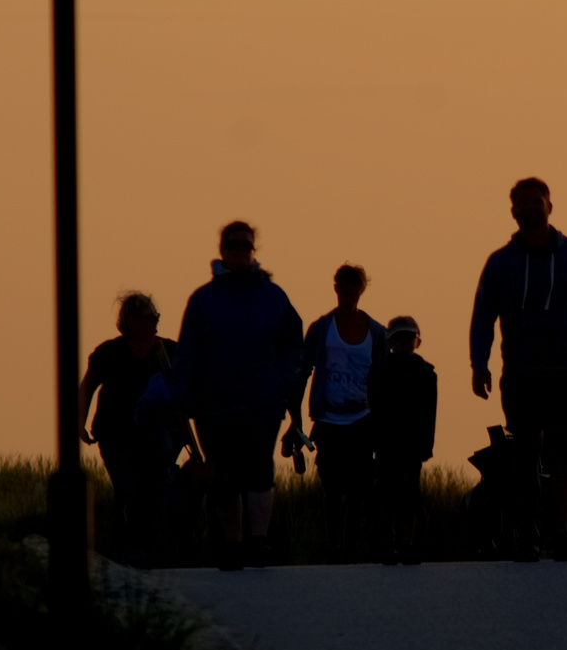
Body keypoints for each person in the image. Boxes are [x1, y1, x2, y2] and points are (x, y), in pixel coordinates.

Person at [470, 177, 567, 561]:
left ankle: (561, 531)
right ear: (513, 212)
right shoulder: (500, 263)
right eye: (523, 203)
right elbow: (483, 315)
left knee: (566, 453)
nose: (531, 207)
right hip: (521, 375)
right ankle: (528, 533)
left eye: (538, 201)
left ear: (551, 206)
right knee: (525, 453)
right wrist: (479, 364)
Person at [171, 221, 304, 570]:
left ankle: (259, 541)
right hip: (214, 405)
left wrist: (283, 377)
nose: (239, 251)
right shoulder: (203, 300)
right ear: (222, 250)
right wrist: (182, 397)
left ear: (253, 251)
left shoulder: (273, 297)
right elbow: (187, 352)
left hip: (263, 402)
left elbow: (294, 340)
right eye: (233, 245)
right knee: (224, 477)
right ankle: (233, 545)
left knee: (260, 469)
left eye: (245, 245)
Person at [291, 264, 387, 562]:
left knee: (359, 490)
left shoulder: (377, 333)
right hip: (328, 420)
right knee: (331, 488)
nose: (348, 297)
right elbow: (302, 373)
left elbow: (385, 378)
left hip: (363, 420)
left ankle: (351, 550)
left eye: (354, 291)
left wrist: (384, 422)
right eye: (344, 291)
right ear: (336, 289)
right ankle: (334, 550)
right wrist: (295, 422)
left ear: (362, 291)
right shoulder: (321, 330)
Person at [78, 291, 179, 566]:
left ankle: (149, 549)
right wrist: (80, 423)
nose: (154, 322)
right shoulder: (109, 352)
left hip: (158, 437)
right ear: (130, 320)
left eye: (156, 317)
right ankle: (129, 547)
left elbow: (185, 393)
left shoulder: (170, 351)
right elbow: (88, 387)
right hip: (116, 435)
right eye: (149, 317)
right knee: (127, 490)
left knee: (155, 493)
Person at [370, 315, 437, 565]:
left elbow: (430, 413)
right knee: (385, 497)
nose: (405, 343)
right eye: (400, 338)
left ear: (416, 341)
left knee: (410, 497)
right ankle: (387, 545)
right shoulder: (378, 372)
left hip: (412, 447)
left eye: (409, 337)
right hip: (387, 445)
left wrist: (426, 446)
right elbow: (374, 409)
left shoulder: (426, 374)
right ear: (390, 341)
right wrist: (375, 443)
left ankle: (406, 545)